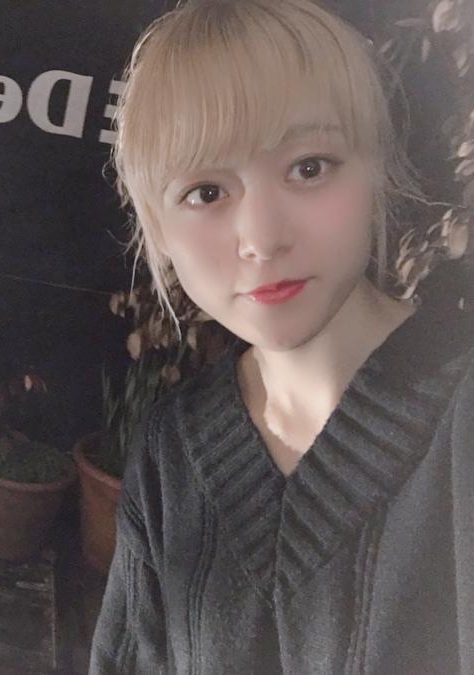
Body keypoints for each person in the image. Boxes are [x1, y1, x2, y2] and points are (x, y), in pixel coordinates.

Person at [89, 0, 474, 673]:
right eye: (206, 192)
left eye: (309, 167)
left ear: (377, 169)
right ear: (159, 229)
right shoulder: (170, 449)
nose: (263, 238)